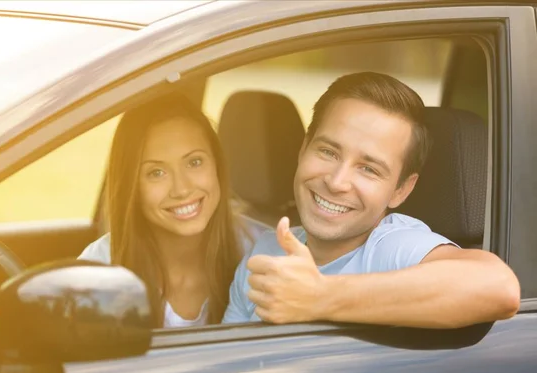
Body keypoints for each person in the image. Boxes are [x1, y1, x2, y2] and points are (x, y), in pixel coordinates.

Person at [222, 72, 520, 328]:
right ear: (303, 150)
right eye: (328, 152)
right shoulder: (267, 250)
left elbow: (498, 287)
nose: (337, 182)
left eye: (368, 169)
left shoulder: (391, 247)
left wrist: (320, 296)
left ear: (400, 190)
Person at [79, 93, 266, 328]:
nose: (182, 189)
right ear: (132, 187)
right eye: (156, 173)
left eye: (194, 162)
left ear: (217, 165)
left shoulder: (265, 251)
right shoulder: (99, 270)